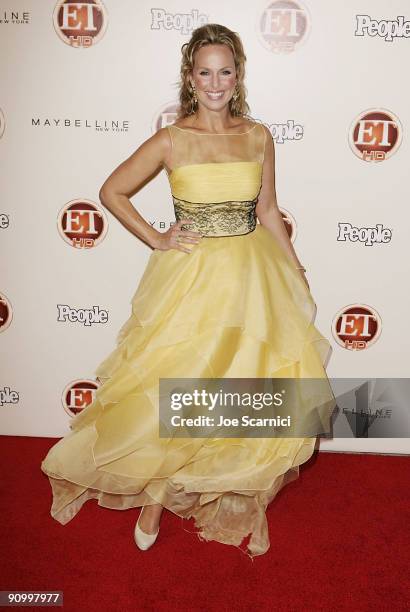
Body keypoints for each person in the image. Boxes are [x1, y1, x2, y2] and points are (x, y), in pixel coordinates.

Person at [41, 23, 335, 559]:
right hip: (192, 277)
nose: (216, 82)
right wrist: (157, 237)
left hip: (252, 274)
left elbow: (267, 210)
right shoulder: (172, 139)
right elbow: (112, 191)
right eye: (205, 71)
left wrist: (296, 270)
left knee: (234, 388)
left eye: (226, 71)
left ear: (238, 75)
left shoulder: (257, 136)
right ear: (190, 77)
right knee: (181, 384)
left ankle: (200, 482)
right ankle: (155, 493)